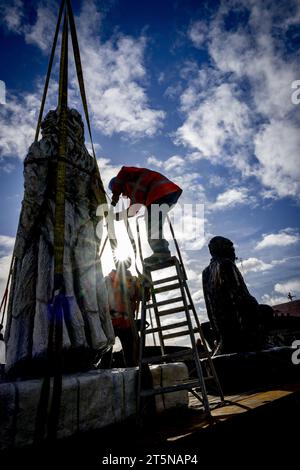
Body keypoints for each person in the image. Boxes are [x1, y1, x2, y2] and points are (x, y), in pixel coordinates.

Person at [202, 236, 274, 355]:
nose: (234, 252)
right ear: (223, 249)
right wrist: (255, 306)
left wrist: (218, 334)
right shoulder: (226, 264)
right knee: (266, 311)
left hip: (221, 329)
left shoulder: (205, 272)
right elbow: (242, 298)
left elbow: (208, 306)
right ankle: (258, 342)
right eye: (231, 248)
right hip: (237, 326)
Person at [108, 166, 182, 264]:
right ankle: (161, 251)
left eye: (120, 192)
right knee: (152, 223)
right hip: (167, 195)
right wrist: (115, 217)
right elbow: (132, 211)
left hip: (160, 192)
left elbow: (124, 170)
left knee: (152, 224)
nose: (122, 195)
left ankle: (161, 253)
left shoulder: (128, 176)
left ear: (118, 184)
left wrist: (115, 193)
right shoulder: (134, 192)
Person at [101, 257, 143, 367]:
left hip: (124, 323)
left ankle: (132, 377)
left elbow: (143, 296)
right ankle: (104, 376)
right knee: (106, 355)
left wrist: (146, 284)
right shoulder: (107, 280)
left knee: (131, 356)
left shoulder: (133, 280)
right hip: (113, 323)